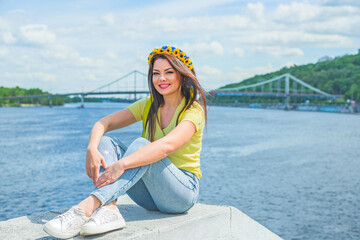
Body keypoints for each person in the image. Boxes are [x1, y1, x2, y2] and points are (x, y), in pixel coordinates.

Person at [43, 46, 208, 239]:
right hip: (149, 197)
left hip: (181, 194)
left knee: (142, 144)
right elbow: (104, 123)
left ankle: (86, 207)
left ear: (182, 75)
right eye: (156, 73)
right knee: (107, 142)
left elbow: (166, 147)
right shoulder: (149, 105)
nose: (161, 79)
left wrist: (121, 164)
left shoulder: (193, 111)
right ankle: (110, 209)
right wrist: (91, 148)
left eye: (169, 72)